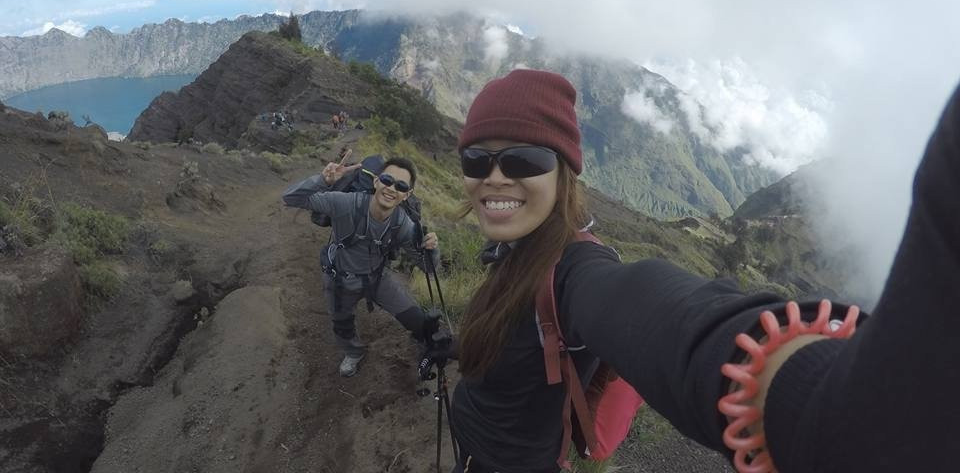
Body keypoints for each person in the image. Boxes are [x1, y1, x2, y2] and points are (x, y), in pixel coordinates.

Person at [427, 68, 958, 473]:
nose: (494, 179)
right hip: (470, 441)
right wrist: (453, 344)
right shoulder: (514, 247)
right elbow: (516, 349)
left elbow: (654, 312)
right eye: (477, 160)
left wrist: (813, 399)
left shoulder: (576, 273)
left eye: (522, 161)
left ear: (563, 172)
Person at [283, 151, 440, 377]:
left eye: (401, 186)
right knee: (342, 324)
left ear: (407, 195)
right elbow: (290, 198)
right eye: (387, 180)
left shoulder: (404, 224)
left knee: (417, 319)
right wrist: (323, 181)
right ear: (376, 181)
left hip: (377, 278)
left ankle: (425, 343)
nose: (391, 188)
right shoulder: (345, 203)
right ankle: (354, 352)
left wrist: (432, 249)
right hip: (339, 280)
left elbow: (428, 267)